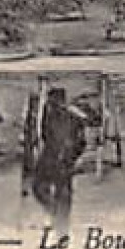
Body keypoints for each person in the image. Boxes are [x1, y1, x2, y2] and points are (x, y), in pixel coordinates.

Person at [30, 87, 87, 232]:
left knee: (42, 188)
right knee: (61, 192)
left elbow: (44, 135)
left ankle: (57, 217)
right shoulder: (74, 117)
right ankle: (59, 219)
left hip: (55, 157)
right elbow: (82, 142)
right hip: (63, 158)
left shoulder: (53, 116)